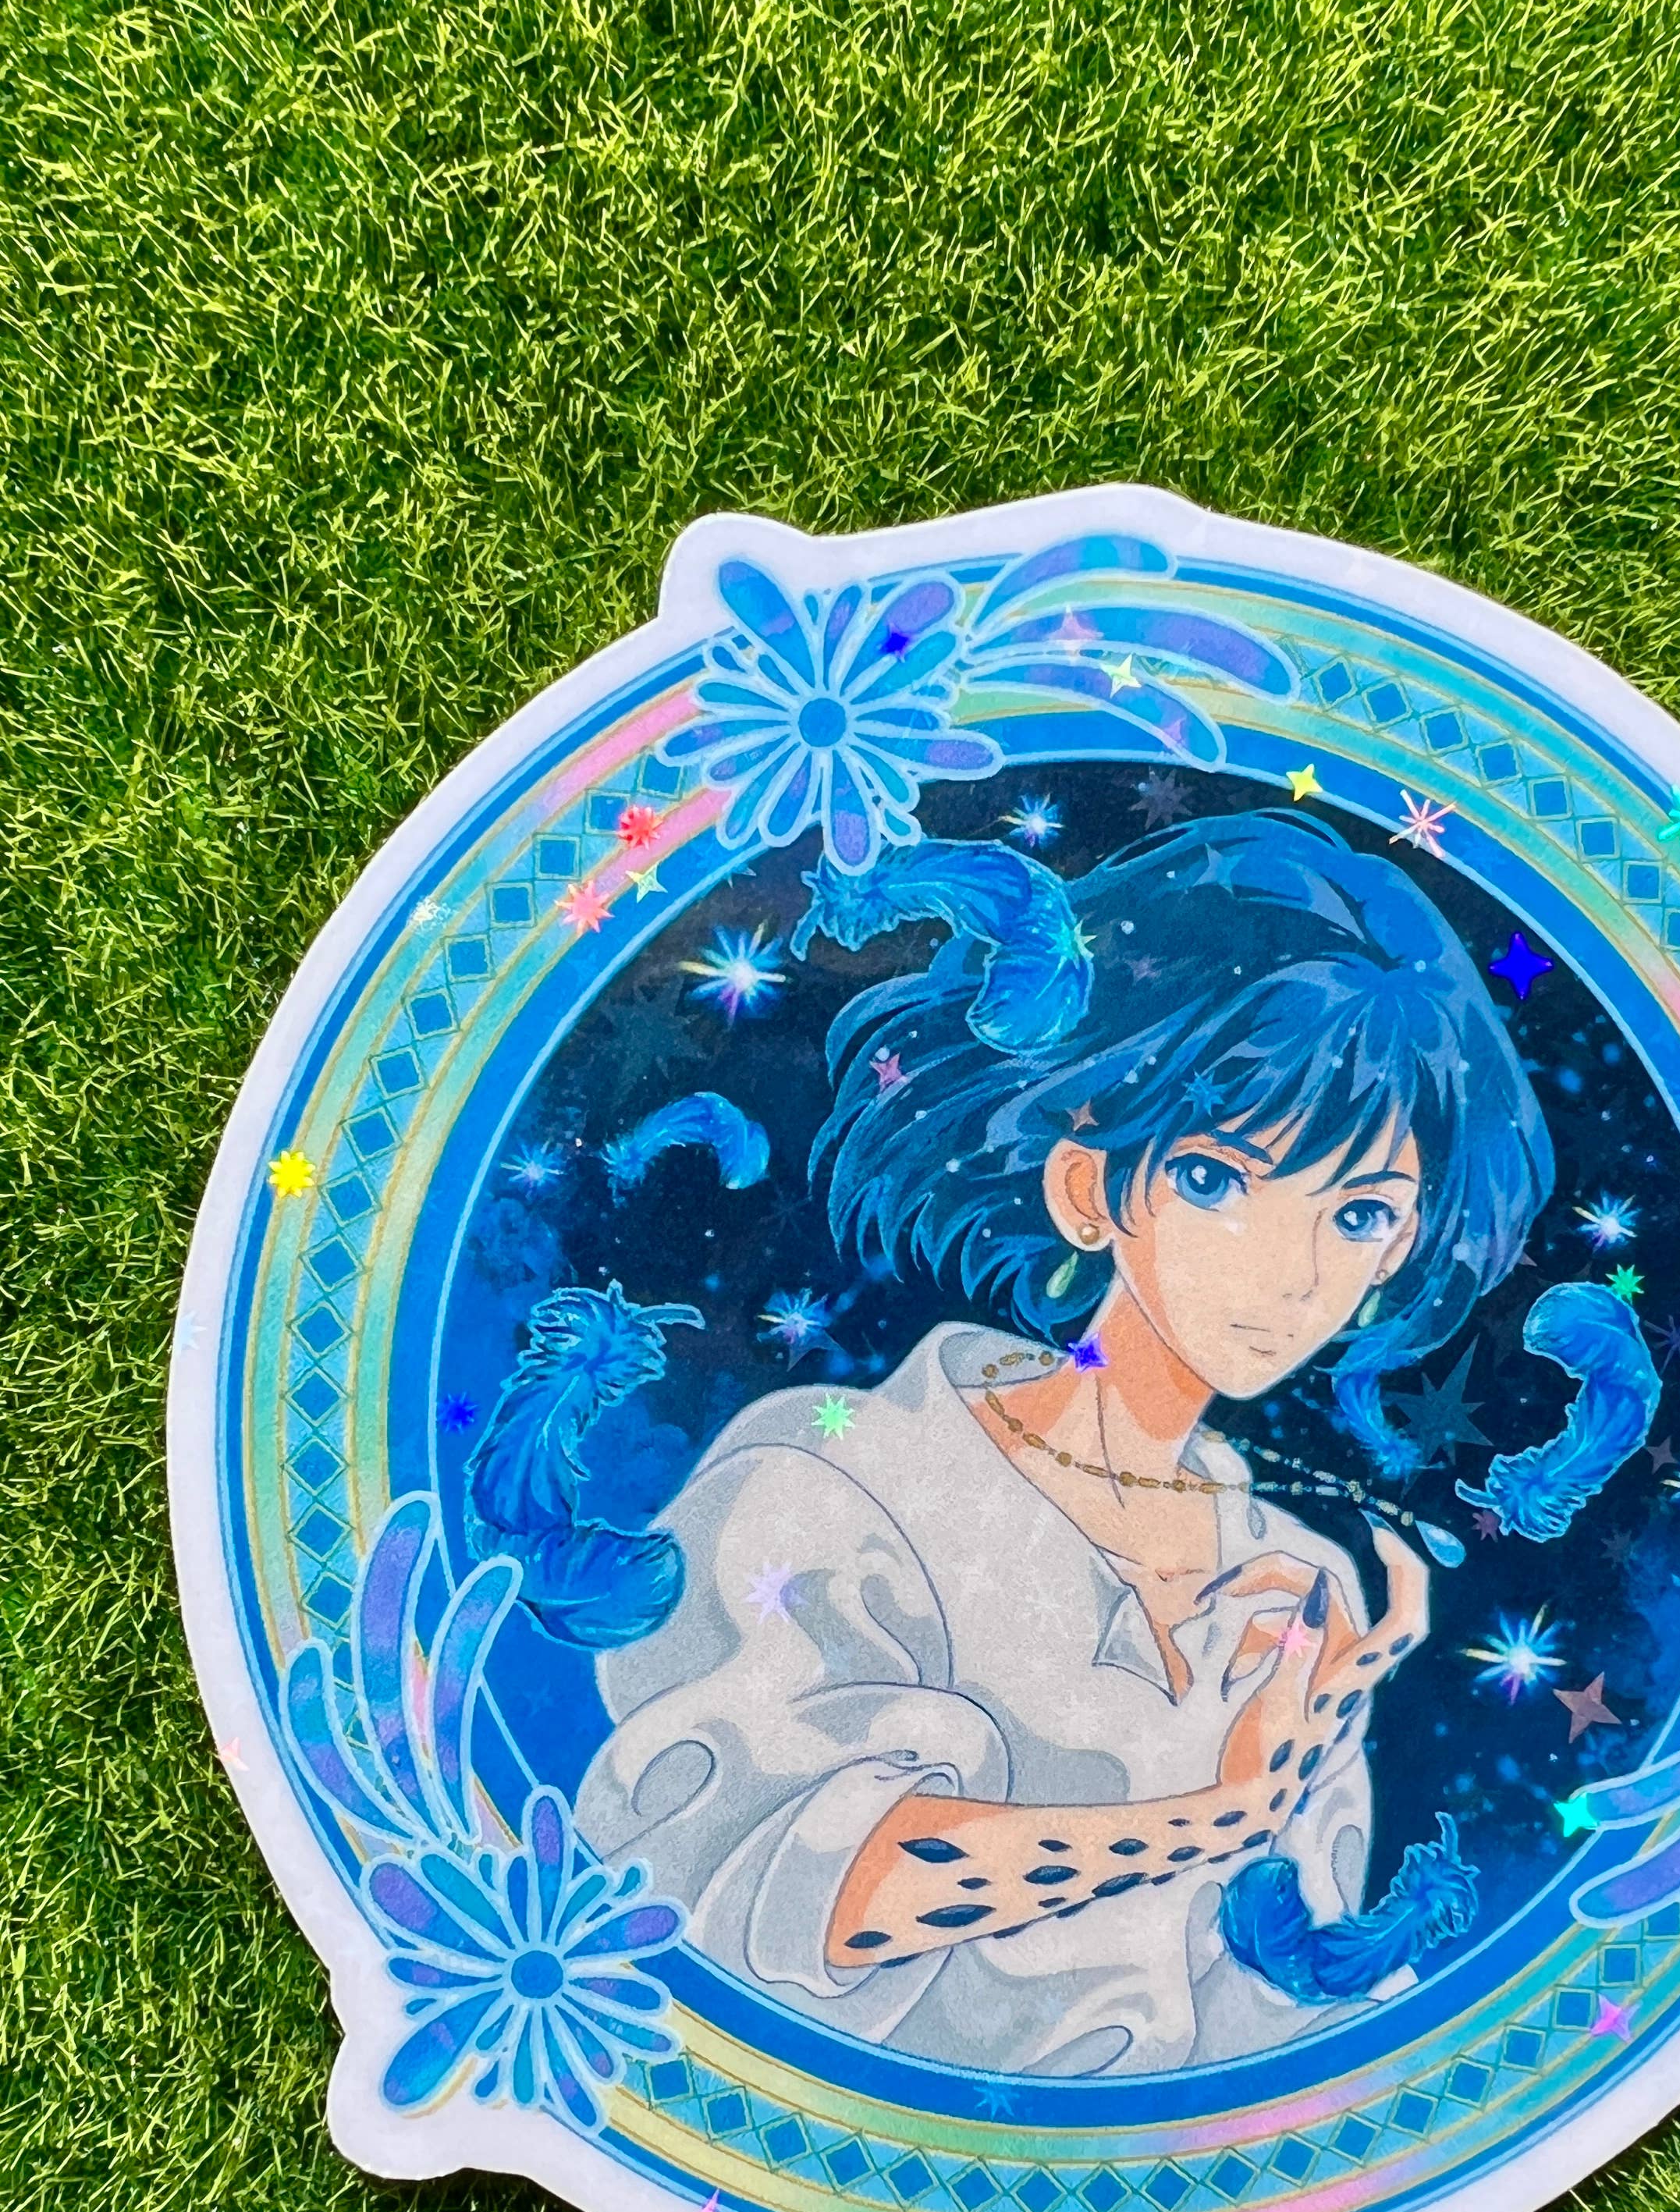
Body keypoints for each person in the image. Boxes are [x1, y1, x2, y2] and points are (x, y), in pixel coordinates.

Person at [574, 810, 1552, 2076]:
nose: (1295, 1271)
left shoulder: (1303, 1591)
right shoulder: (835, 1482)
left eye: (1361, 1215)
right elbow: (772, 1897)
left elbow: (1273, 2008)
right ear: (1089, 1186)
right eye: (1218, 1179)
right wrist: (1221, 1815)